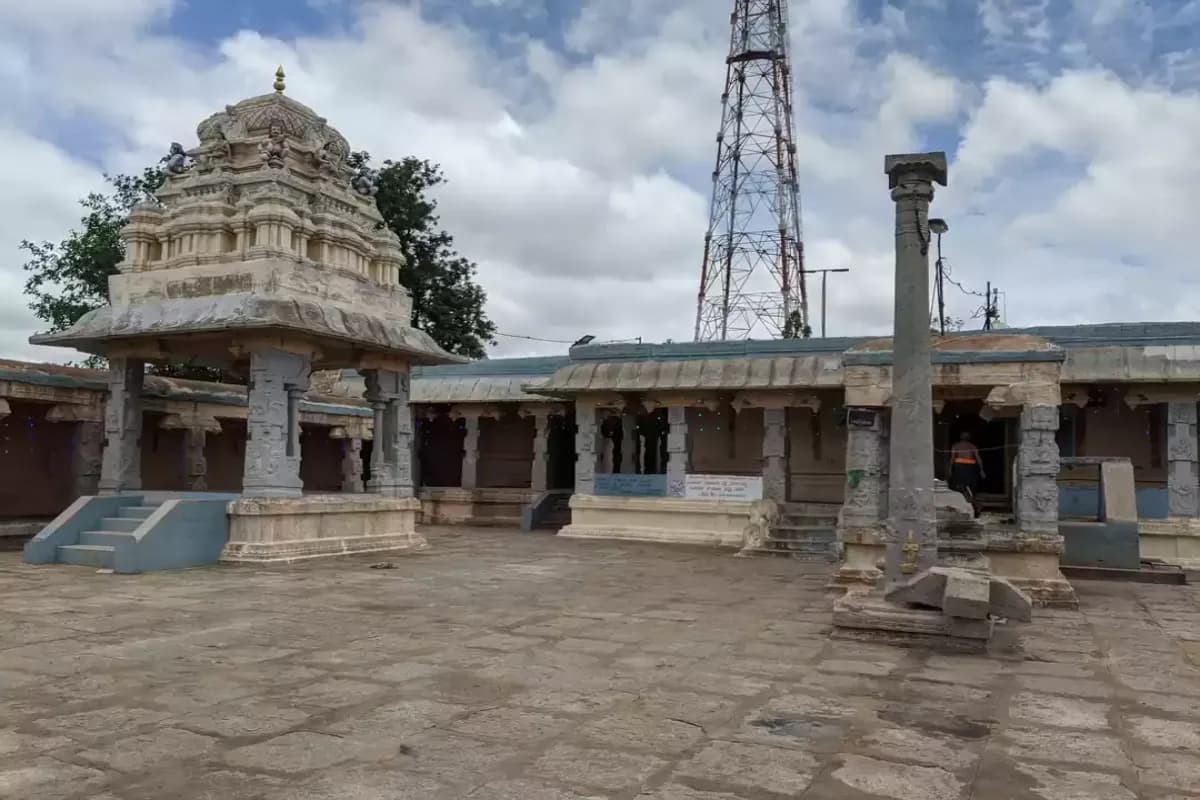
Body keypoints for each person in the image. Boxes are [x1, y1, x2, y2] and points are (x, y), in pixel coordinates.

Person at [948, 431, 985, 517]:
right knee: (962, 489)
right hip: (964, 469)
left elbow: (978, 458)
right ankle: (975, 506)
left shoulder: (967, 446)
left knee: (965, 489)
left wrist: (981, 470)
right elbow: (952, 459)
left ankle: (975, 507)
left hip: (965, 469)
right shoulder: (967, 446)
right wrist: (981, 470)